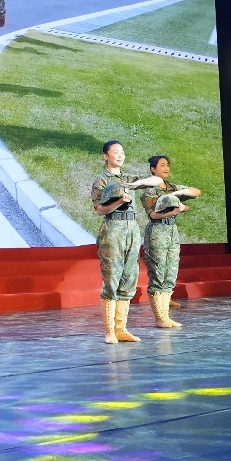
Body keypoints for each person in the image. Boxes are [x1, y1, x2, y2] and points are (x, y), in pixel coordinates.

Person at [90, 140, 153, 344]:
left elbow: (155, 181)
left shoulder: (128, 178)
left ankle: (121, 329)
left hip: (131, 229)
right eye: (116, 152)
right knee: (112, 279)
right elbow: (100, 210)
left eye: (122, 152)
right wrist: (119, 201)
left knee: (129, 278)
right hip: (113, 229)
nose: (120, 155)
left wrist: (135, 185)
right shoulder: (101, 180)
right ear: (105, 156)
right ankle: (110, 331)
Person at [138, 154, 202, 329]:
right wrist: (175, 210)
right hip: (157, 232)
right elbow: (153, 215)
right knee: (158, 273)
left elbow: (196, 192)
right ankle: (160, 318)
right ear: (153, 169)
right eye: (162, 165)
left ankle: (166, 316)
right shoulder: (150, 191)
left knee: (170, 274)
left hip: (172, 232)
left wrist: (177, 195)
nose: (166, 168)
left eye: (167, 165)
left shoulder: (172, 187)